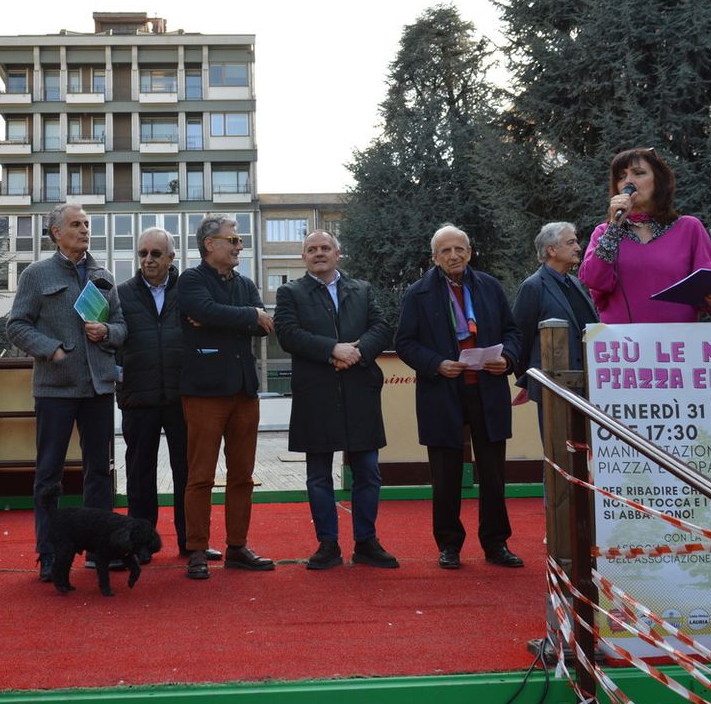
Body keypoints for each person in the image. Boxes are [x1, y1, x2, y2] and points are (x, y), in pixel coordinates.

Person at [6, 204, 126, 581]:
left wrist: (107, 332)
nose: (85, 230)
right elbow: (16, 326)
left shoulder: (103, 275)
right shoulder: (36, 274)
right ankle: (48, 552)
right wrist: (51, 349)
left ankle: (99, 551)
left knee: (99, 472)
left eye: (87, 224)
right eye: (76, 224)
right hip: (55, 389)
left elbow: (122, 326)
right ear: (56, 232)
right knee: (49, 474)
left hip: (98, 387)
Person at [394, 224, 523, 571]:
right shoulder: (418, 293)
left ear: (470, 252)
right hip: (442, 391)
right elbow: (404, 342)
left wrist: (507, 359)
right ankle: (449, 545)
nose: (454, 256)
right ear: (435, 257)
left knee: (493, 474)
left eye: (459, 249)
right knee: (446, 474)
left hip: (487, 389)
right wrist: (436, 364)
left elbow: (513, 332)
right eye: (446, 251)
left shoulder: (490, 287)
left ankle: (496, 543)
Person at [274, 230, 397, 570]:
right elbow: (287, 333)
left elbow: (381, 326)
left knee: (368, 472)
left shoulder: (362, 289)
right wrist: (332, 350)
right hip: (316, 394)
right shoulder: (290, 292)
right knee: (318, 476)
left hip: (360, 391)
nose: (319, 253)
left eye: (325, 247)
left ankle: (366, 542)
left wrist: (357, 353)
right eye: (311, 249)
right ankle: (327, 545)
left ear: (337, 253)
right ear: (303, 257)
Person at [178, 214, 274, 580]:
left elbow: (264, 328)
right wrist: (248, 315)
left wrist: (224, 318)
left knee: (242, 476)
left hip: (244, 392)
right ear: (209, 244)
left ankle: (237, 547)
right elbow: (203, 310)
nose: (239, 246)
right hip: (204, 393)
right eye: (233, 240)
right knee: (200, 476)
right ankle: (197, 549)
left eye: (239, 241)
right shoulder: (190, 280)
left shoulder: (245, 284)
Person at [116, 228, 221, 564]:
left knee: (188, 475)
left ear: (171, 258)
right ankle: (141, 544)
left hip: (183, 397)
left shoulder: (189, 292)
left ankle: (192, 542)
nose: (148, 260)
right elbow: (112, 340)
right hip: (138, 397)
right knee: (139, 476)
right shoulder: (121, 294)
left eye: (156, 254)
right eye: (143, 253)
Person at [578, 147, 711, 323]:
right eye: (621, 177)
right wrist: (614, 226)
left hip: (676, 338)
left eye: (638, 173)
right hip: (621, 339)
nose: (628, 181)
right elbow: (592, 280)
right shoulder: (604, 232)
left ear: (658, 181)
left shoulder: (689, 228)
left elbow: (705, 289)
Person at [512, 222, 599, 433]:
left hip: (587, 388)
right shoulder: (533, 287)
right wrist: (533, 378)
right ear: (551, 250)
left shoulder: (575, 283)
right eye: (571, 242)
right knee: (559, 448)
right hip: (553, 389)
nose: (578, 247)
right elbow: (519, 340)